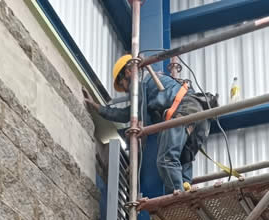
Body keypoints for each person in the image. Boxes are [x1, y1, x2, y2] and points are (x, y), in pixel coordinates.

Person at [85, 55, 211, 196]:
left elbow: (133, 114)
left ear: (127, 72)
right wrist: (100, 108)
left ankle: (180, 198)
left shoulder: (140, 84)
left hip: (184, 111)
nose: (126, 90)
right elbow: (133, 112)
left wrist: (136, 157)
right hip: (201, 116)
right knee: (183, 159)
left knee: (166, 159)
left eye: (122, 85)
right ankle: (186, 188)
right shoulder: (155, 81)